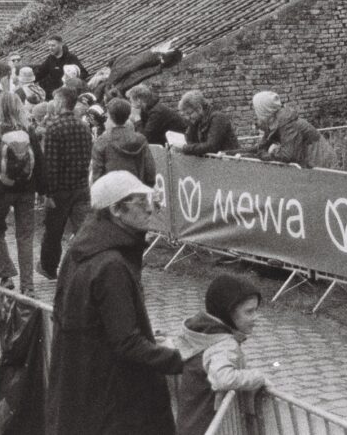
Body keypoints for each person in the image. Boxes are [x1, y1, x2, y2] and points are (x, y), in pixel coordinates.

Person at [47, 171, 183, 435]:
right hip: (112, 401)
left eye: (150, 198)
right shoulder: (111, 264)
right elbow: (126, 342)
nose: (150, 207)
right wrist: (179, 360)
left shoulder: (81, 249)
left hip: (82, 390)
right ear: (117, 210)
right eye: (140, 201)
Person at [175, 274, 268, 435]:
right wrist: (258, 377)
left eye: (256, 310)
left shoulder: (201, 336)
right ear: (228, 313)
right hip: (208, 428)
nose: (256, 318)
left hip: (189, 425)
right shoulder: (222, 344)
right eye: (249, 312)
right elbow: (223, 378)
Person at [0, 93, 46, 295]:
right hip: (26, 189)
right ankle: (28, 286)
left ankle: (6, 274)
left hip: (1, 190)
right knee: (25, 237)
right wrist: (42, 190)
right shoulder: (29, 130)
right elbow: (41, 162)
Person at [38, 87, 93, 280]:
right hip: (81, 186)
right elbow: (87, 156)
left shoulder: (54, 128)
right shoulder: (84, 126)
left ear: (61, 103)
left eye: (54, 99)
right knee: (84, 231)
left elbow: (51, 163)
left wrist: (48, 193)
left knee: (53, 232)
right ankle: (87, 267)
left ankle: (49, 268)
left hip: (60, 189)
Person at [251, 91, 337, 169]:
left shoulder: (287, 123)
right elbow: (261, 148)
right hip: (309, 164)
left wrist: (271, 152)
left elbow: (288, 155)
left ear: (264, 110)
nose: (255, 112)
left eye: (256, 108)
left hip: (320, 163)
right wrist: (240, 152)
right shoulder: (272, 122)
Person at [90, 98, 156, 186]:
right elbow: (150, 170)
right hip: (137, 189)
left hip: (112, 191)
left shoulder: (102, 141)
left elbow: (97, 173)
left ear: (110, 117)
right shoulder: (141, 139)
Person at [176, 90, 239, 156]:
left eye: (189, 113)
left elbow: (211, 146)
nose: (187, 117)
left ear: (199, 108)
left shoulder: (218, 118)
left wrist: (184, 148)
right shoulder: (197, 121)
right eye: (185, 115)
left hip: (230, 161)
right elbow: (189, 141)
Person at [34, 35, 88, 99]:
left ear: (61, 44)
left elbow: (84, 73)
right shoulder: (50, 59)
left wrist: (73, 82)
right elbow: (40, 72)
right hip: (54, 94)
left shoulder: (70, 58)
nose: (50, 48)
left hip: (69, 93)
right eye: (49, 46)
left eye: (53, 45)